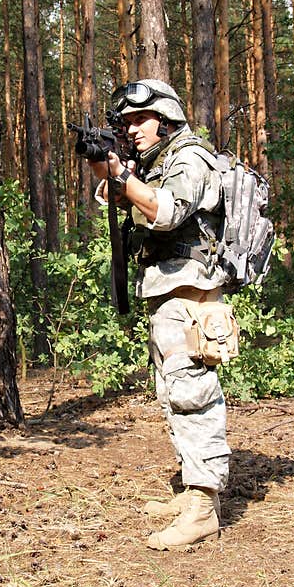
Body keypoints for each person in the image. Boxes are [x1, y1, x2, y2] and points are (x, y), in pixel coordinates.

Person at [88, 78, 231, 550]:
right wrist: (113, 176)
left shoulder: (189, 158)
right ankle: (191, 489)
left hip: (193, 297)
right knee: (172, 394)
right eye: (124, 122)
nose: (131, 130)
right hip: (169, 294)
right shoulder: (159, 164)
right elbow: (126, 202)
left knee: (193, 396)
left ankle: (203, 508)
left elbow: (166, 213)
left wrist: (123, 177)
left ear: (167, 119)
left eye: (139, 120)